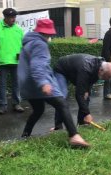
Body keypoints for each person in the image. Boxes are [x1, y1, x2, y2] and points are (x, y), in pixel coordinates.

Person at [17, 19, 90, 147]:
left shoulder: (28, 42)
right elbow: (38, 66)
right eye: (50, 34)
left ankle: (25, 135)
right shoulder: (40, 44)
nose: (50, 36)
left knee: (38, 110)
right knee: (62, 104)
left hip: (27, 86)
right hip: (39, 84)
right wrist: (44, 82)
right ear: (46, 33)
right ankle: (74, 136)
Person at [52, 54, 111, 130]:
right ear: (101, 70)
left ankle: (81, 123)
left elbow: (86, 92)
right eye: (108, 77)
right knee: (62, 96)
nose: (108, 80)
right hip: (61, 69)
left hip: (75, 71)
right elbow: (79, 94)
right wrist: (87, 113)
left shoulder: (100, 67)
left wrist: (86, 92)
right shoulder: (86, 69)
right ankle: (58, 127)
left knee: (86, 96)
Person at [0, 8, 24, 114]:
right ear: (5, 17)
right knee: (2, 85)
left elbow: (23, 45)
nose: (13, 19)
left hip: (16, 62)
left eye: (14, 17)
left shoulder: (18, 29)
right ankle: (2, 105)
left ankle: (16, 104)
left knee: (17, 84)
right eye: (11, 17)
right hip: (2, 62)